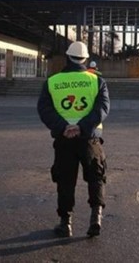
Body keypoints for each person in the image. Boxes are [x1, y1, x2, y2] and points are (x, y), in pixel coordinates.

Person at [37, 41, 110, 238]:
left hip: (64, 140)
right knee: (96, 178)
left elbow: (44, 110)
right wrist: (83, 127)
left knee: (65, 181)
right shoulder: (97, 81)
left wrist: (63, 127)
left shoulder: (52, 81)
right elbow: (102, 109)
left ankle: (65, 223)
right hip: (90, 140)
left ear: (68, 57)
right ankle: (96, 218)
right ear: (85, 59)